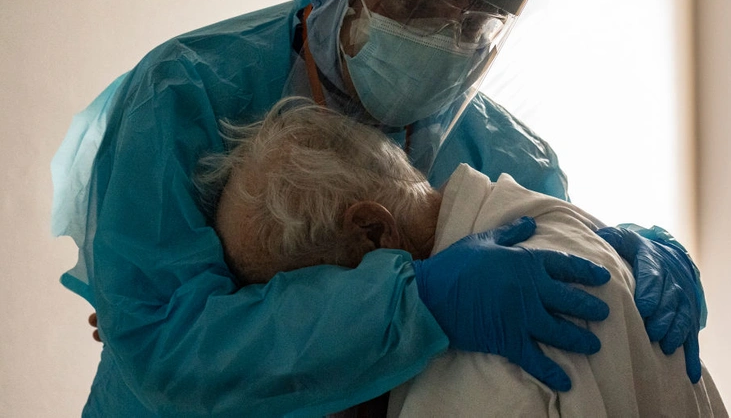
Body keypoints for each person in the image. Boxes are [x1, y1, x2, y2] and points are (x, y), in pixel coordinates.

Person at [51, 0, 706, 415]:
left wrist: (618, 252)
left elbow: (552, 270)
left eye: (472, 24)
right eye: (414, 5)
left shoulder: (504, 151)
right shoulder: (187, 92)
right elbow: (164, 343)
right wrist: (413, 302)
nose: (441, 40)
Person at [201, 97, 726, 417]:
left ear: (373, 232)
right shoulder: (559, 226)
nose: (313, 336)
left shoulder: (482, 366)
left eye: (305, 294)